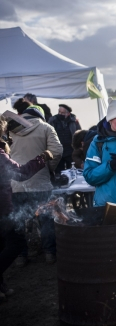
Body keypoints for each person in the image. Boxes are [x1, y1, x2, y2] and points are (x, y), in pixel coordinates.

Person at [0, 117, 54, 301]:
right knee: (17, 243)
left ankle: (2, 288)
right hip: (2, 209)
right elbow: (21, 174)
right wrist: (42, 157)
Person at [10, 106, 63, 266]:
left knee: (18, 220)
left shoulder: (9, 128)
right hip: (40, 183)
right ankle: (49, 253)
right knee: (46, 219)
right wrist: (49, 169)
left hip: (15, 184)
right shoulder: (46, 127)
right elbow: (57, 151)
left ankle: (20, 255)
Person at [48, 104, 82, 171]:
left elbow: (79, 134)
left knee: (72, 169)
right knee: (58, 170)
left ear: (68, 113)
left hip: (70, 150)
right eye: (59, 112)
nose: (60, 114)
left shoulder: (74, 121)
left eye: (62, 113)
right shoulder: (53, 120)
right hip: (58, 150)